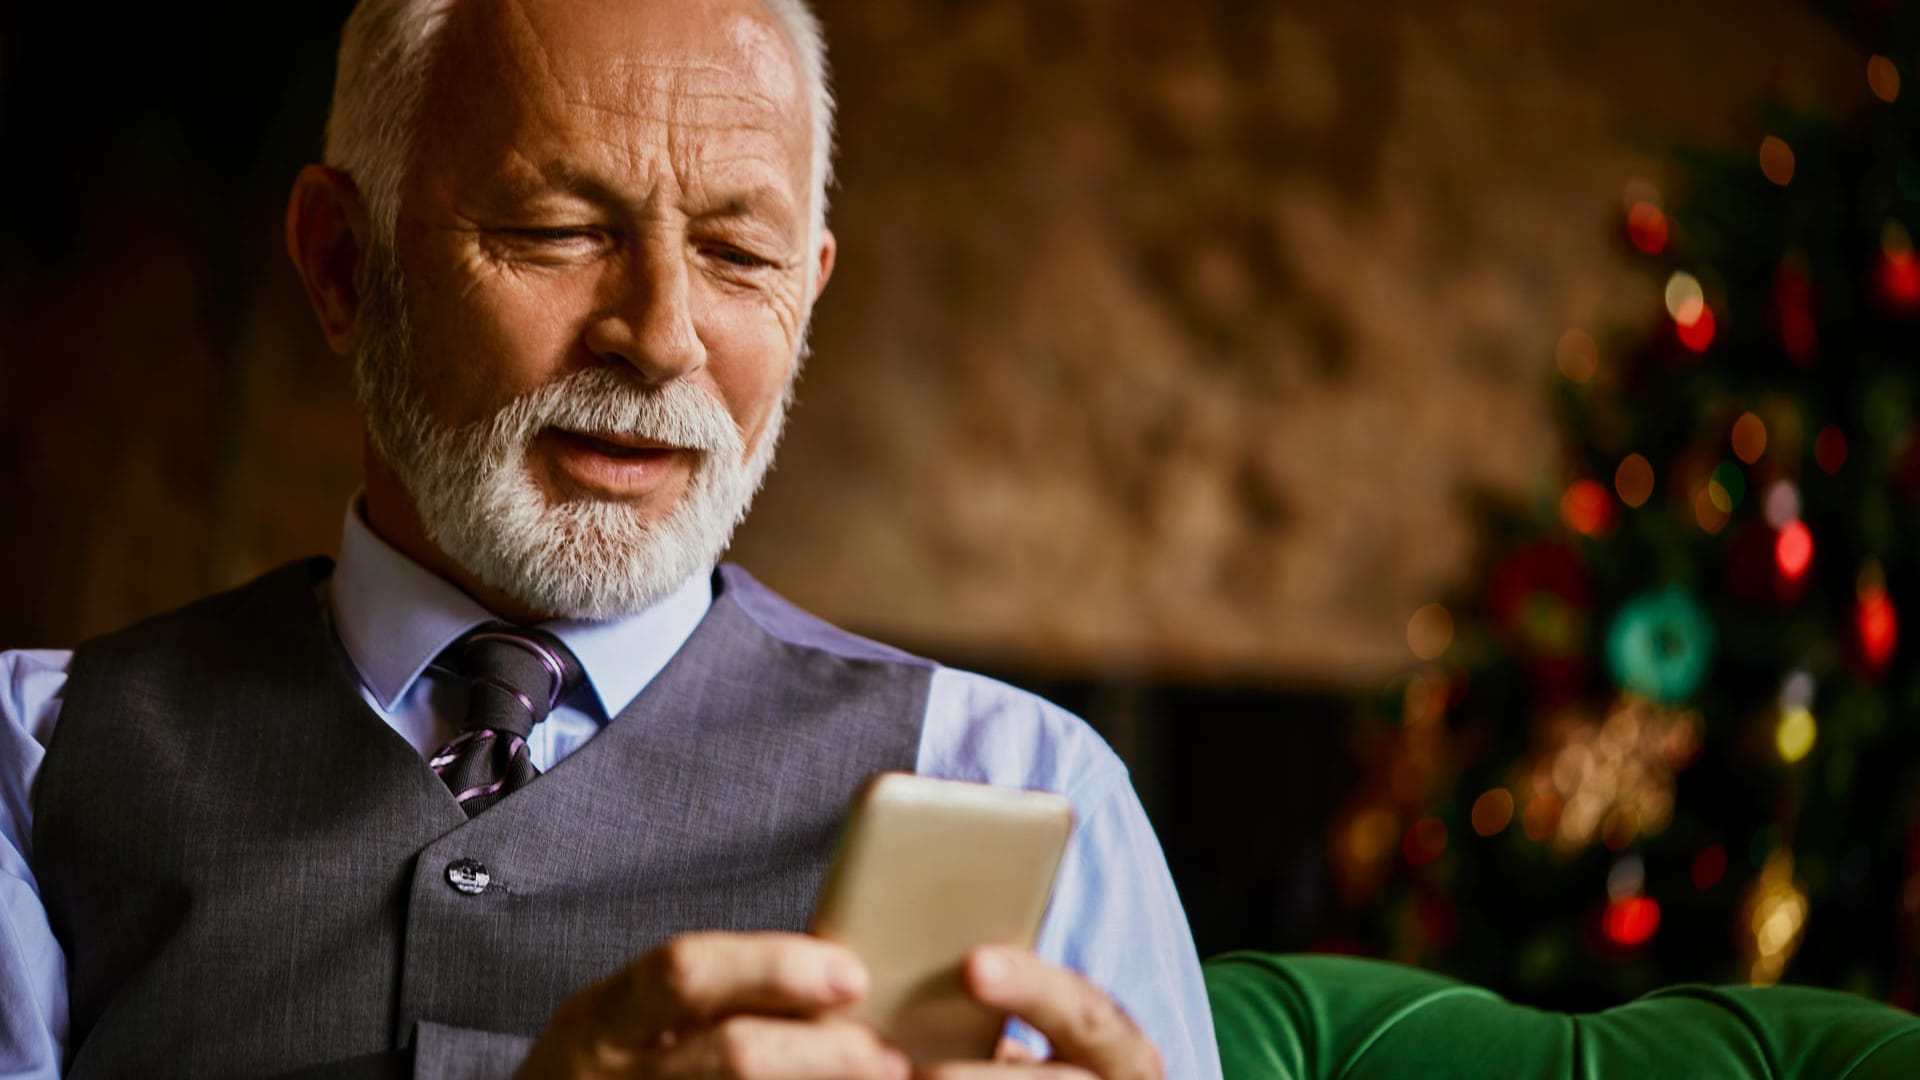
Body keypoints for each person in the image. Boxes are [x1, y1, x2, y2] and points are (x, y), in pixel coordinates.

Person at [0, 0, 1222, 1076]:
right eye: (557, 232)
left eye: (741, 255)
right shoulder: (33, 761)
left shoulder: (1021, 786)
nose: (661, 337)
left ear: (809, 291)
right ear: (342, 265)